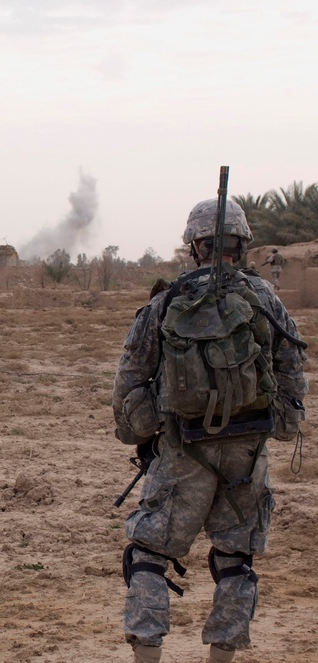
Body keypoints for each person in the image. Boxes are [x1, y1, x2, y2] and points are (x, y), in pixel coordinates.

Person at [112, 199, 307, 663]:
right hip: (246, 453)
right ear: (243, 244)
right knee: (236, 561)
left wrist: (149, 433)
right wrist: (264, 429)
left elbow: (129, 384)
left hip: (183, 448)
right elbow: (293, 382)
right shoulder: (267, 301)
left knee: (148, 555)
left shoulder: (165, 303)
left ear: (194, 246)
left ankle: (147, 655)